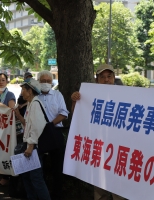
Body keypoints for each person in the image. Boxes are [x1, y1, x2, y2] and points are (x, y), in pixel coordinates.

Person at [71, 64, 126, 200]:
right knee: (100, 191)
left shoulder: (125, 96)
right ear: (97, 79)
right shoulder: (89, 96)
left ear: (114, 78)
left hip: (119, 151)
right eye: (102, 77)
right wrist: (75, 101)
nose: (106, 80)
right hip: (99, 150)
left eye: (109, 76)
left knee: (119, 191)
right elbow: (77, 116)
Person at [14, 78, 51, 200]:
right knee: (26, 176)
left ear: (30, 91)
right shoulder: (31, 104)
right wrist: (19, 116)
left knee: (36, 178)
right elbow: (28, 125)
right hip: (30, 145)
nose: (22, 92)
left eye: (23, 90)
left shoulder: (35, 104)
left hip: (33, 147)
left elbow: (37, 127)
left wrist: (30, 146)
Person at [37, 70, 69, 200]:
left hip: (55, 133)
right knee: (40, 166)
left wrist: (50, 124)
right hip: (39, 134)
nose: (45, 83)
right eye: (43, 81)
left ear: (52, 82)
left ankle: (57, 194)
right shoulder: (35, 96)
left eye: (48, 81)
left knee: (58, 166)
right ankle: (42, 194)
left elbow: (64, 113)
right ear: (38, 82)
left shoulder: (57, 94)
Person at [0, 73, 16, 186]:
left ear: (7, 81)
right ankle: (2, 174)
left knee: (5, 152)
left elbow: (11, 110)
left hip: (6, 129)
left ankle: (6, 178)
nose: (1, 82)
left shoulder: (10, 94)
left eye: (3, 80)